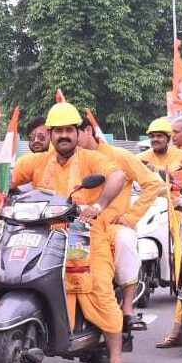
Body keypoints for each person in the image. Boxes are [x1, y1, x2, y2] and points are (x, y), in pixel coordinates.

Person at [11, 102, 129, 363]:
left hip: (86, 240)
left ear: (77, 133)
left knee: (100, 290)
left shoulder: (91, 159)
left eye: (69, 130)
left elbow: (118, 176)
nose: (63, 135)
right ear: (50, 134)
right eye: (58, 131)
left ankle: (115, 362)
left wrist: (99, 205)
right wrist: (0, 193)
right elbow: (4, 178)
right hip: (45, 238)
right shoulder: (36, 161)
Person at [77, 114, 162, 331]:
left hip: (113, 226)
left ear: (88, 131)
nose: (68, 137)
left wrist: (131, 217)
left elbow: (152, 184)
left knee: (125, 240)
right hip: (79, 226)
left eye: (73, 131)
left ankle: (127, 308)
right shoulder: (71, 159)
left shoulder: (119, 156)